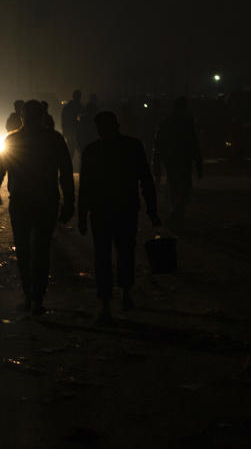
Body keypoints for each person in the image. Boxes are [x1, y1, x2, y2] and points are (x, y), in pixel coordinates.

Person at [0, 100, 74, 314]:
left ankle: (29, 293)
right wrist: (70, 202)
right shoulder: (54, 139)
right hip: (46, 200)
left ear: (23, 116)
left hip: (22, 201)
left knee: (24, 249)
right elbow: (65, 173)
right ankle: (37, 296)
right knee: (42, 249)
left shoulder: (13, 140)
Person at [78, 111, 161, 325]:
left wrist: (81, 214)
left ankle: (106, 303)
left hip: (101, 211)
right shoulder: (132, 147)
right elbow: (146, 179)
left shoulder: (92, 151)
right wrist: (152, 209)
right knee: (125, 251)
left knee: (103, 256)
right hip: (125, 209)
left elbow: (85, 187)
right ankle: (125, 293)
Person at [152, 97, 203, 226]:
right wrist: (198, 162)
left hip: (172, 159)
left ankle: (176, 211)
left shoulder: (168, 121)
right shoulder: (187, 121)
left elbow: (159, 143)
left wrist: (157, 161)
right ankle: (178, 211)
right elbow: (193, 142)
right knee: (183, 186)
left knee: (174, 185)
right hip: (183, 159)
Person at [61, 90, 83, 162]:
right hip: (76, 131)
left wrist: (64, 131)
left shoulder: (68, 107)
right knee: (77, 150)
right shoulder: (79, 107)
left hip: (73, 131)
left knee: (71, 151)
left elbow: (63, 120)